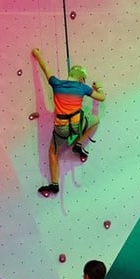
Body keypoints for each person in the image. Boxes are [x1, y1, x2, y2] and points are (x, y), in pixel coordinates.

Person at [32, 47, 106, 197]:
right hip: (78, 126)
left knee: (53, 152)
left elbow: (45, 68)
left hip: (62, 129)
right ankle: (78, 145)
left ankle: (54, 184)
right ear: (81, 78)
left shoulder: (56, 84)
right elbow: (101, 97)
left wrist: (38, 54)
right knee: (96, 120)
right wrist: (99, 87)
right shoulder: (82, 87)